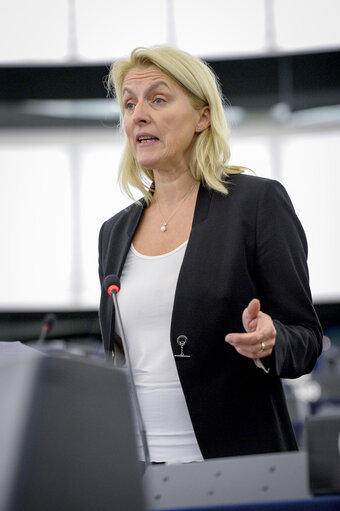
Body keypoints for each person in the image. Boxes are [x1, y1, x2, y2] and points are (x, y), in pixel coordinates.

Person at [98, 46, 323, 463]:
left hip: (235, 467)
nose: (138, 115)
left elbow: (306, 339)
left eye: (158, 99)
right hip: (137, 471)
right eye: (129, 104)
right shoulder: (114, 232)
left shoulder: (256, 204)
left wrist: (271, 340)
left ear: (203, 117)